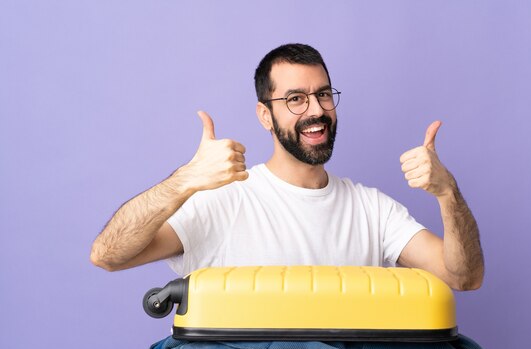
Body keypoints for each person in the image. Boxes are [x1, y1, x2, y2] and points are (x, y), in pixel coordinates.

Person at [90, 43, 483, 291]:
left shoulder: (372, 209)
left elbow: (463, 278)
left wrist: (448, 193)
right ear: (265, 115)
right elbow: (109, 254)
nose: (316, 110)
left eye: (323, 94)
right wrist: (184, 181)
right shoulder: (221, 201)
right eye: (295, 98)